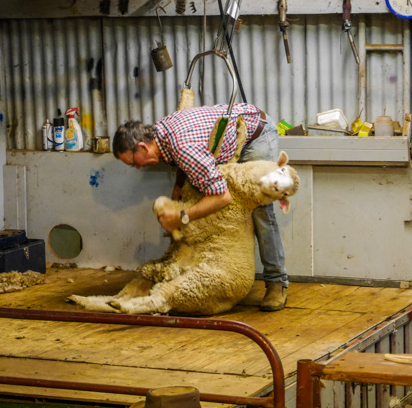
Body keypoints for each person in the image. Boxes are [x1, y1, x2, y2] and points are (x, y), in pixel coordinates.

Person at [112, 103, 288, 311]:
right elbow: (184, 162)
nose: (138, 167)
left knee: (259, 204)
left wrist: (182, 217)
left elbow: (223, 197)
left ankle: (277, 281)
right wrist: (178, 188)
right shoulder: (161, 135)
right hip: (231, 133)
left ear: (142, 147)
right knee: (196, 192)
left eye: (134, 162)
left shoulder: (183, 146)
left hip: (255, 133)